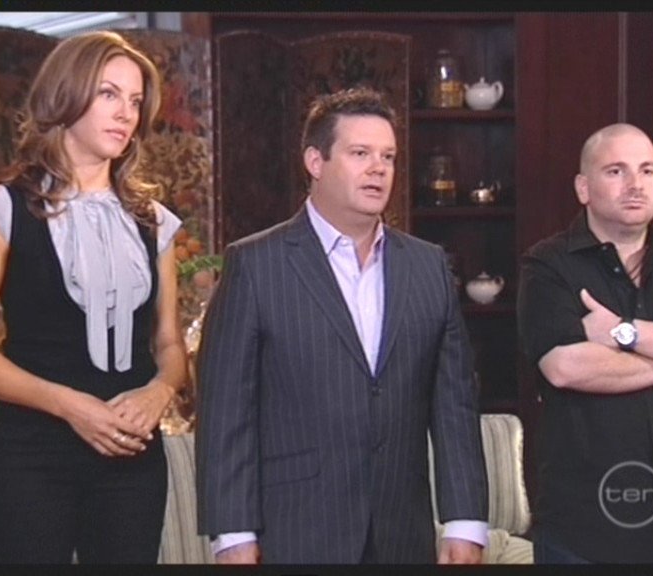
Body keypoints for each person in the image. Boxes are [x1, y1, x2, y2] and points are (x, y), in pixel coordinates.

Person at [195, 87, 489, 564]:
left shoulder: (427, 266)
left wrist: (465, 521)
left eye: (388, 157)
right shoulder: (256, 265)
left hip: (402, 535)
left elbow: (454, 403)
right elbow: (227, 411)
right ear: (315, 161)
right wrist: (232, 534)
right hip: (296, 532)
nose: (378, 169)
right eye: (360, 154)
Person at [0, 31, 188, 564]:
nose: (125, 114)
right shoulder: (2, 209)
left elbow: (168, 344)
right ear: (65, 96)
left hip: (132, 461)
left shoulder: (155, 222)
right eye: (108, 94)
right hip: (30, 457)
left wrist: (159, 391)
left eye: (135, 101)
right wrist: (69, 406)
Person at [517, 123, 653, 563]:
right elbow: (565, 367)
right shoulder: (548, 266)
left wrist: (626, 333)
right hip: (585, 532)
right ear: (583, 188)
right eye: (616, 171)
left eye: (647, 170)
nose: (635, 184)